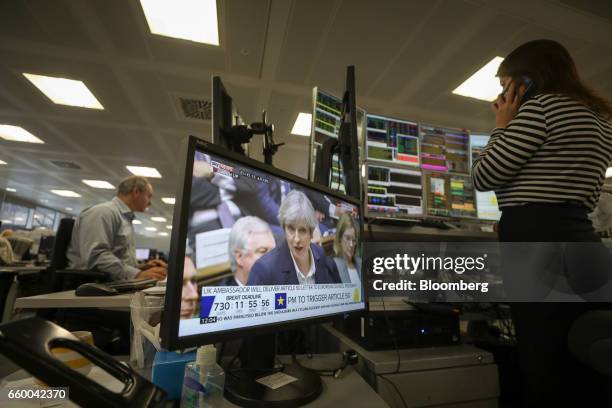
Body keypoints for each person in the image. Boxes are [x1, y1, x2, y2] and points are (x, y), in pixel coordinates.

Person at [472, 39, 612, 407]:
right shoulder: (600, 118)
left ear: (527, 81)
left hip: (540, 247)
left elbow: (484, 175)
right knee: (584, 359)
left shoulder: (543, 108)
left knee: (542, 366)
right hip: (581, 242)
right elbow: (577, 189)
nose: (503, 96)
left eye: (507, 86)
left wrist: (502, 124)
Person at [67, 176, 167, 281]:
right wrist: (137, 275)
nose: (150, 202)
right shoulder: (103, 213)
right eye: (149, 196)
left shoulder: (124, 218)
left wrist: (142, 268)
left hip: (111, 282)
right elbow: (96, 256)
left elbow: (119, 259)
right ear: (136, 192)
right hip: (91, 285)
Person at [247, 190, 341, 285]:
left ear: (311, 233)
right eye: (291, 229)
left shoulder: (321, 256)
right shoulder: (263, 270)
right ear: (284, 228)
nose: (296, 239)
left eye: (302, 230)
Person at [219, 216, 276, 286]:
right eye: (263, 251)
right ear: (239, 257)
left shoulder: (284, 286)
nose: (274, 259)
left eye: (274, 251)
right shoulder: (219, 296)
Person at [332, 214, 361, 285]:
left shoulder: (360, 263)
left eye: (354, 240)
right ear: (339, 238)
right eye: (348, 238)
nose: (351, 244)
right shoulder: (333, 266)